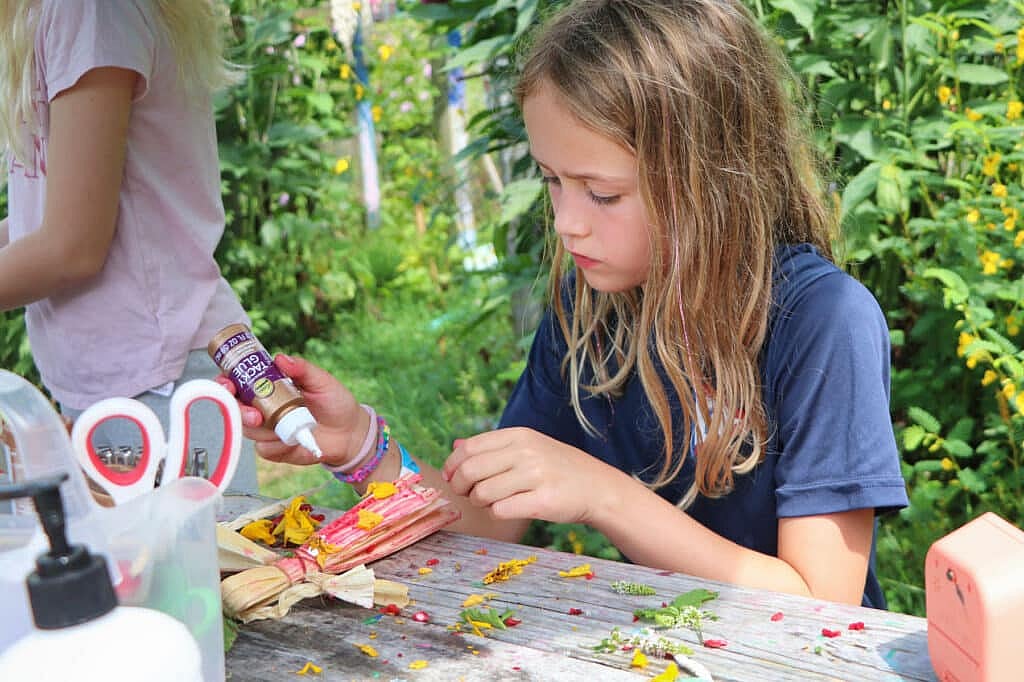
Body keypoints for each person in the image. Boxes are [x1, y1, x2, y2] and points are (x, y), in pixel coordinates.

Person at [221, 0, 908, 607]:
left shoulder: (821, 322)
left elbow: (823, 603)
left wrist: (603, 494)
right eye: (552, 181)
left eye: (600, 193)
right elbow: (487, 518)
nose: (566, 222)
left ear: (710, 179)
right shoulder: (593, 314)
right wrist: (359, 445)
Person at [0, 0, 257, 493]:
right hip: (130, 376)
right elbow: (48, 219)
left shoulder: (88, 11)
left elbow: (72, 247)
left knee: (188, 569)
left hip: (160, 383)